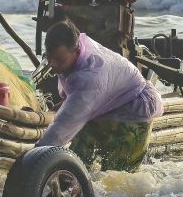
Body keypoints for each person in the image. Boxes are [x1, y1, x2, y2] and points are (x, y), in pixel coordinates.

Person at [35, 20, 163, 171]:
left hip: (134, 110)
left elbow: (61, 129)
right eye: (50, 58)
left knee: (116, 179)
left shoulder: (89, 78)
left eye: (59, 60)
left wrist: (35, 156)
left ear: (76, 52)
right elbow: (69, 102)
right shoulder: (77, 44)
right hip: (106, 107)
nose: (53, 65)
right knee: (76, 165)